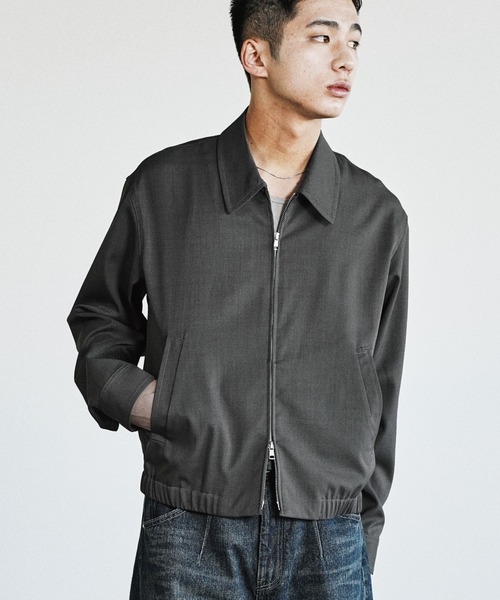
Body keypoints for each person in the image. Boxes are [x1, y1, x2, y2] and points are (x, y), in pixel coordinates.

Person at [68, 0, 408, 597]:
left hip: (330, 536)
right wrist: (153, 403)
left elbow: (382, 383)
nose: (346, 59)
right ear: (256, 54)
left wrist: (364, 532)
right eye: (322, 37)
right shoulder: (164, 187)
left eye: (354, 41)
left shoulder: (377, 216)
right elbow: (99, 317)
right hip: (189, 526)